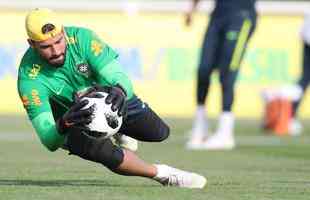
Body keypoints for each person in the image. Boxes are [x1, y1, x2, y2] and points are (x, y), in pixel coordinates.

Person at [17, 8, 206, 188]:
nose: (56, 51)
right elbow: (49, 140)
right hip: (72, 120)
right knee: (106, 154)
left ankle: (114, 127)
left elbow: (119, 76)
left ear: (64, 32)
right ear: (31, 44)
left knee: (159, 133)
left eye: (58, 41)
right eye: (46, 47)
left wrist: (120, 91)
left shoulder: (83, 39)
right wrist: (64, 123)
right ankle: (164, 175)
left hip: (110, 98)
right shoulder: (29, 79)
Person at [185, 0, 257, 150]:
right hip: (218, 16)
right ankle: (201, 125)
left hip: (241, 16)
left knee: (227, 73)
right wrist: (192, 8)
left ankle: (225, 133)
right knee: (203, 69)